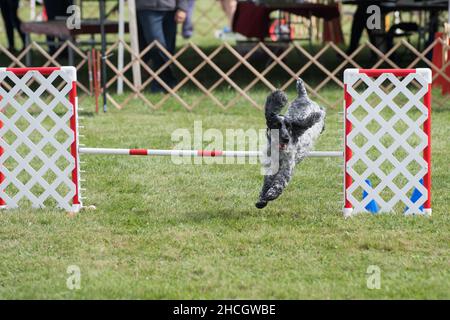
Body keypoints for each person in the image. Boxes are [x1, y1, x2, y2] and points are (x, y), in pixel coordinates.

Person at [136, 0, 188, 93]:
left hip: (170, 8)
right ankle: (168, 81)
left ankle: (160, 84)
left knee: (168, 50)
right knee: (157, 46)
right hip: (147, 7)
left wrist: (182, 7)